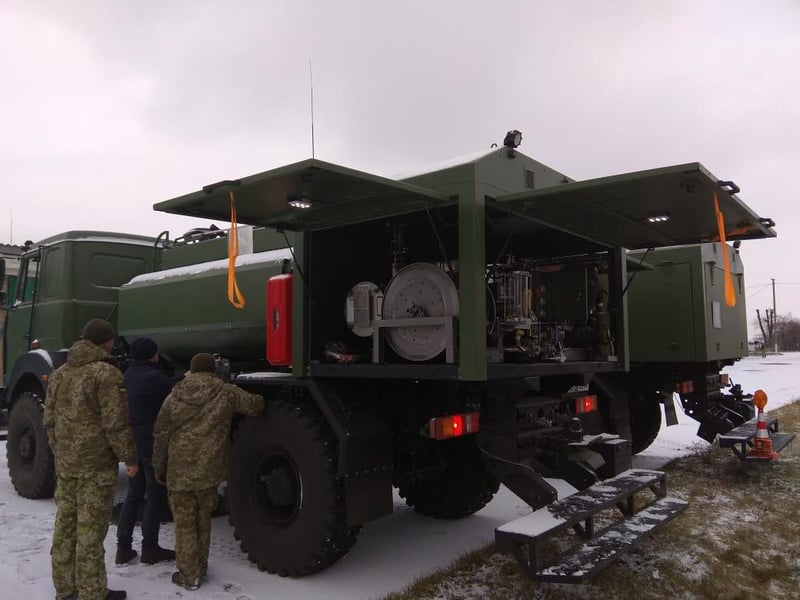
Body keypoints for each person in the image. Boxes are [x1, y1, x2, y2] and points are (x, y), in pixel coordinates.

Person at [44, 318, 138, 600]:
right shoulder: (106, 374)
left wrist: (61, 451)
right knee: (90, 531)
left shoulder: (60, 373)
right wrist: (130, 458)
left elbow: (49, 420)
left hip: (67, 465)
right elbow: (115, 424)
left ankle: (65, 589)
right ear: (107, 342)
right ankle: (93, 593)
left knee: (65, 528)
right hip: (96, 467)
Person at [152, 352, 264, 591]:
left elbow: (161, 433)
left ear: (191, 370)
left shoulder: (174, 395)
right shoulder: (226, 392)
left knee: (184, 525)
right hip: (209, 471)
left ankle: (188, 574)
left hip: (179, 471)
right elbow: (256, 405)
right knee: (203, 521)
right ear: (213, 370)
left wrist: (158, 465)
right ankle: (200, 567)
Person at [115, 337, 181, 566]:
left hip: (132, 440)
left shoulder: (127, 375)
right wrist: (187, 375)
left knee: (134, 492)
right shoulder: (156, 378)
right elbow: (175, 388)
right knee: (155, 493)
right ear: (152, 355)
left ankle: (123, 547)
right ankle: (150, 548)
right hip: (151, 444)